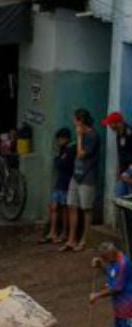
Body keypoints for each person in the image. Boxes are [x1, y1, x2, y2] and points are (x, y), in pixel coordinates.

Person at [90, 242, 132, 327]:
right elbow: (111, 273)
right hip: (119, 306)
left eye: (105, 258)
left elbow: (116, 288)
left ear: (112, 254)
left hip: (128, 305)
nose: (105, 260)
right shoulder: (113, 262)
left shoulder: (124, 264)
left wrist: (97, 295)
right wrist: (101, 265)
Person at [63, 108, 100, 252]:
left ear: (80, 121)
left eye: (75, 120)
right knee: (72, 205)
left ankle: (85, 240)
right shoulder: (83, 134)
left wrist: (79, 136)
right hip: (76, 175)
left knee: (86, 208)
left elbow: (80, 155)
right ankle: (71, 239)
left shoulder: (92, 136)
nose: (73, 123)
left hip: (87, 176)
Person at [41, 128, 75, 244]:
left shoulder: (71, 149)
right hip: (60, 180)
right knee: (54, 206)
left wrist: (60, 160)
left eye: (59, 139)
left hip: (67, 181)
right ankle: (53, 232)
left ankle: (64, 233)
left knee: (64, 208)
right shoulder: (62, 150)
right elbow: (58, 163)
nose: (58, 142)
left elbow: (63, 165)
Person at [102, 110, 132, 178]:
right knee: (119, 188)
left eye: (110, 124)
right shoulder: (119, 134)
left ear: (117, 123)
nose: (109, 126)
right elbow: (121, 153)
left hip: (129, 171)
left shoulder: (129, 133)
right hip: (123, 170)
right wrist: (119, 170)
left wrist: (129, 172)